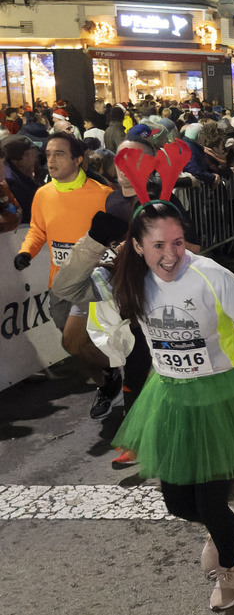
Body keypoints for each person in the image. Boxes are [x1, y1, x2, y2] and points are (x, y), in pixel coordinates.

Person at [106, 201, 234, 611]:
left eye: (177, 242)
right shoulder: (131, 279)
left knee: (211, 500)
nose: (170, 254)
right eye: (158, 245)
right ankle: (217, 529)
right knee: (177, 503)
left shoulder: (211, 275)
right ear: (138, 246)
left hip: (225, 395)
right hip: (172, 394)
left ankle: (232, 570)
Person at [13, 132, 123, 417]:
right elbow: (38, 229)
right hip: (58, 285)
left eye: (59, 154)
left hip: (91, 284)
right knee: (77, 347)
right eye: (47, 154)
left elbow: (120, 236)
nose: (51, 160)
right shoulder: (43, 194)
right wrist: (27, 251)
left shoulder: (102, 195)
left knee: (71, 342)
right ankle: (109, 381)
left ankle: (118, 371)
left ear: (78, 159)